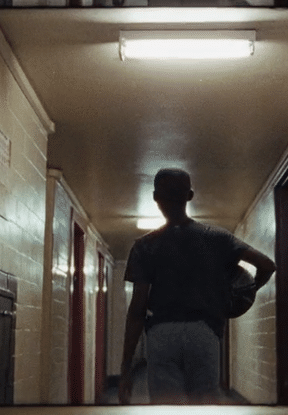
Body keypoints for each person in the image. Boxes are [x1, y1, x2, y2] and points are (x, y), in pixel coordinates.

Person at [118, 168, 276, 404]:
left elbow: (137, 309)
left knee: (166, 408)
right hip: (204, 332)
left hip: (162, 333)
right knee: (204, 406)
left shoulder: (144, 246)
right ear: (190, 195)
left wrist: (126, 369)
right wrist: (243, 295)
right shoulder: (217, 237)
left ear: (155, 197)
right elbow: (267, 265)